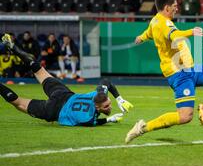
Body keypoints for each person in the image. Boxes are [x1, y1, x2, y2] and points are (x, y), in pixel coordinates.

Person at [125, 0, 203, 144]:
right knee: (185, 116)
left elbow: (148, 33)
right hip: (179, 74)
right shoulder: (164, 24)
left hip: (190, 69)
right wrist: (191, 32)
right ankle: (143, 127)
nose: (177, 8)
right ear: (166, 8)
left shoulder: (155, 21)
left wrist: (140, 37)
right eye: (174, 6)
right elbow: (175, 35)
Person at [1, 33, 133, 127]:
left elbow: (106, 82)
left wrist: (118, 99)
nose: (110, 106)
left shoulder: (99, 95)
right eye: (106, 106)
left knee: (39, 70)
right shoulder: (88, 118)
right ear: (96, 106)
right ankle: (13, 50)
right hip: (54, 110)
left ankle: (13, 48)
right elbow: (95, 122)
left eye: (109, 103)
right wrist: (109, 120)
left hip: (63, 94)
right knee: (19, 103)